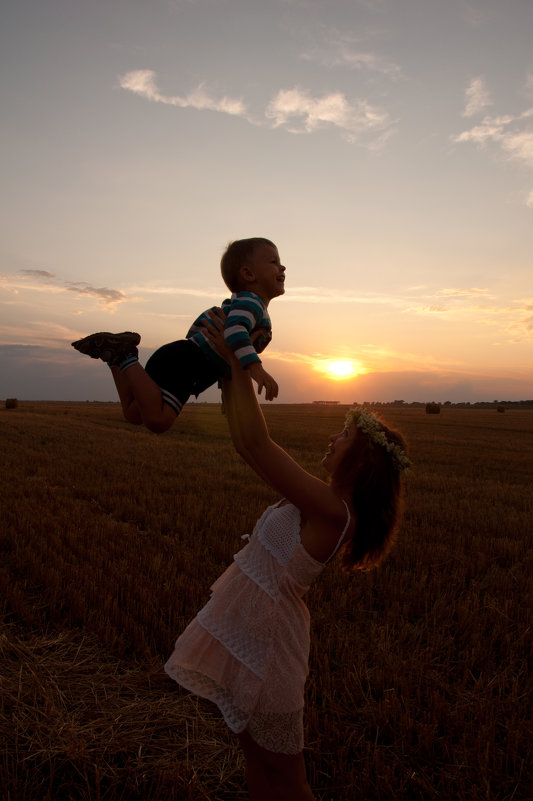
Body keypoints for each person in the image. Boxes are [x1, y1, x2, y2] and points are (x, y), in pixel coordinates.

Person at [164, 314, 410, 801]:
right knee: (258, 766)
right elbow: (244, 445)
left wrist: (235, 364)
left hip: (273, 654)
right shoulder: (317, 499)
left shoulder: (333, 512)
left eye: (343, 438)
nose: (332, 440)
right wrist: (226, 370)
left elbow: (259, 443)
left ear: (359, 462)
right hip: (257, 640)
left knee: (289, 783)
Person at [71, 237, 285, 433]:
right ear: (248, 274)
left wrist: (227, 395)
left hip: (180, 357)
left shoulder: (247, 305)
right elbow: (234, 332)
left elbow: (225, 358)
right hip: (185, 365)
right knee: (159, 421)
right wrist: (256, 367)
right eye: (273, 261)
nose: (282, 266)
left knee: (134, 413)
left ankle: (116, 357)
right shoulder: (251, 303)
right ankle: (125, 357)